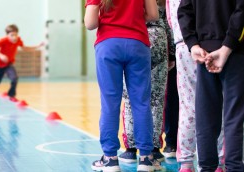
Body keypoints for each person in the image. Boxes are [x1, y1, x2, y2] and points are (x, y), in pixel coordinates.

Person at [84, 0, 158, 171]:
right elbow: (153, 15)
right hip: (138, 44)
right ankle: (146, 159)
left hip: (108, 45)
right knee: (141, 103)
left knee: (110, 103)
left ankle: (110, 159)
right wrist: (133, 19)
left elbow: (90, 23)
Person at [178, 0, 244, 171]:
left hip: (205, 50)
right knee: (234, 114)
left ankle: (207, 167)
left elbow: (184, 11)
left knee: (206, 113)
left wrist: (193, 44)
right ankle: (233, 166)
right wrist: (227, 46)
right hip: (234, 51)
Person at [166, 0, 225, 171]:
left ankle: (185, 161)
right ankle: (220, 159)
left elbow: (172, 19)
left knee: (188, 105)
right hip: (213, 42)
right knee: (217, 103)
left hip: (185, 45)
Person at [119, 0, 175, 167]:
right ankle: (155, 149)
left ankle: (130, 149)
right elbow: (169, 23)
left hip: (134, 37)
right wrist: (171, 53)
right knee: (157, 100)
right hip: (159, 38)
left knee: (130, 98)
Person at [0, 24, 43, 107]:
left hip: (8, 64)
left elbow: (25, 48)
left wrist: (38, 46)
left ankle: (11, 95)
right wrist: (1, 55)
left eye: (15, 34)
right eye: (11, 35)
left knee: (14, 78)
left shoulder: (18, 40)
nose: (14, 37)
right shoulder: (3, 41)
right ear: (7, 35)